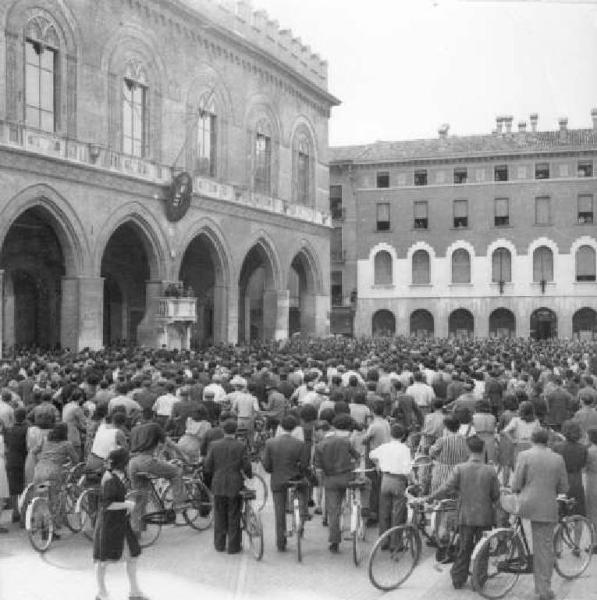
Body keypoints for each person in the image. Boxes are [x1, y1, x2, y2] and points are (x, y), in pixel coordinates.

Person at [427, 435, 500, 589]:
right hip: (485, 516)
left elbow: (446, 488)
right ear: (483, 450)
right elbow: (495, 496)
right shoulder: (490, 470)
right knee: (483, 549)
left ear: (468, 450)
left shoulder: (460, 468)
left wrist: (430, 497)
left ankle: (458, 579)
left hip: (465, 515)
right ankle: (479, 580)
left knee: (463, 547)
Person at [512, 428, 569, 600]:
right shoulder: (557, 459)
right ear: (548, 441)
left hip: (524, 505)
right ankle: (544, 590)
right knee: (544, 548)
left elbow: (516, 484)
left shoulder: (524, 455)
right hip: (545, 507)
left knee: (520, 530)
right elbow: (563, 488)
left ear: (532, 439)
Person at [93, 447, 146, 600]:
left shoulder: (112, 476)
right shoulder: (110, 479)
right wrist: (127, 505)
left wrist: (125, 504)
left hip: (118, 524)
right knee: (103, 561)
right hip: (109, 525)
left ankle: (134, 591)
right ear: (123, 463)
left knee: (131, 556)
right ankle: (102, 592)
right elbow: (107, 505)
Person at [204, 419, 252, 554]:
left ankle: (219, 545)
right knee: (234, 514)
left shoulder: (214, 445)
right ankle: (233, 546)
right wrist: (249, 475)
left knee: (219, 514)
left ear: (223, 431)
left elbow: (207, 466)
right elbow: (246, 465)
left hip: (218, 483)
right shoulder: (240, 446)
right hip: (235, 484)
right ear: (236, 431)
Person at [313, 414, 360, 553]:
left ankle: (334, 541)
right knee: (354, 498)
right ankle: (357, 517)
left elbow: (318, 469)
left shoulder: (319, 446)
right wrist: (353, 468)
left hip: (331, 481)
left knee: (333, 512)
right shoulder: (345, 442)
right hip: (347, 478)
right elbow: (357, 457)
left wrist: (322, 483)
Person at [262, 415, 307, 551]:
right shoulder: (300, 444)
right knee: (304, 490)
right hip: (295, 479)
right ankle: (303, 516)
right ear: (295, 428)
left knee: (279, 511)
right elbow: (304, 465)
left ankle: (281, 542)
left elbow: (267, 465)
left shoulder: (270, 443)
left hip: (278, 479)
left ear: (280, 427)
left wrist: (273, 470)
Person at [33, 423, 79, 533]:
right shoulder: (66, 444)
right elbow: (76, 460)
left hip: (39, 471)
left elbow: (33, 452)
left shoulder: (45, 440)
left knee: (42, 496)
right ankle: (51, 529)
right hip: (53, 474)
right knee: (54, 499)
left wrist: (39, 462)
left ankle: (40, 525)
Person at [368, 423, 412, 538]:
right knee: (397, 513)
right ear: (403, 436)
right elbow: (407, 470)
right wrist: (413, 481)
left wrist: (378, 464)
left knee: (384, 511)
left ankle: (383, 540)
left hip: (385, 480)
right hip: (398, 481)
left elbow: (371, 455)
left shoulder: (384, 447)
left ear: (390, 435)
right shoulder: (405, 449)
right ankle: (396, 543)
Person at [553, 420, 587, 516]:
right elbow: (583, 464)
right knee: (578, 512)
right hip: (576, 480)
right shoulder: (583, 448)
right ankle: (577, 531)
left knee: (560, 510)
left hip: (561, 480)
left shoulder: (557, 447)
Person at [429, 415, 470, 493]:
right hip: (459, 474)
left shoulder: (442, 440)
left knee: (439, 500)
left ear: (446, 427)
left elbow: (431, 453)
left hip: (442, 474)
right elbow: (468, 456)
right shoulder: (466, 440)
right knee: (455, 500)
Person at [3, 407, 28, 524]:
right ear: (25, 417)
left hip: (10, 461)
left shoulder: (8, 430)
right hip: (23, 461)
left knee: (13, 489)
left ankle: (15, 513)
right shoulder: (27, 429)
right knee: (24, 488)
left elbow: (7, 445)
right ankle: (23, 516)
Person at [502, 400, 541, 467]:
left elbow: (505, 431)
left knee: (519, 465)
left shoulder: (516, 420)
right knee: (531, 465)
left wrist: (512, 440)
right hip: (531, 444)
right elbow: (539, 433)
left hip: (519, 444)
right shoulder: (536, 421)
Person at [585, 428, 597, 552]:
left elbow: (584, 467)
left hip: (593, 482)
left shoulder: (589, 451)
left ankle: (594, 542)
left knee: (593, 513)